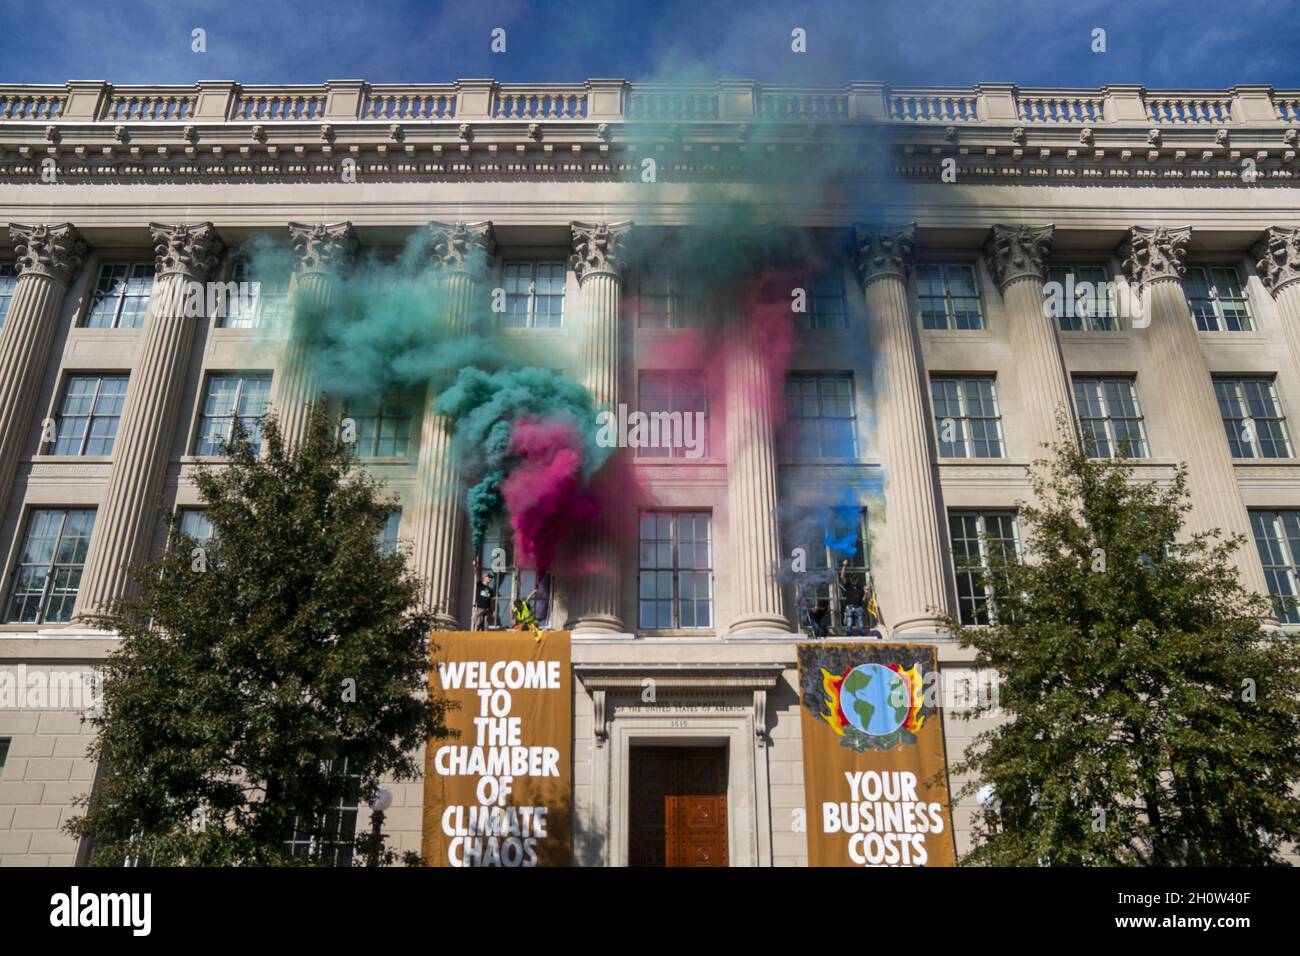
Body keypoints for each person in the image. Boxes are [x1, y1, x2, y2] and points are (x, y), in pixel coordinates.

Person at [840, 559, 866, 637]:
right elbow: (842, 577)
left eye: (855, 579)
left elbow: (863, 600)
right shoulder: (848, 586)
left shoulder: (860, 588)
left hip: (858, 607)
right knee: (849, 623)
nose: (854, 580)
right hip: (850, 607)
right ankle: (849, 637)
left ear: (857, 580)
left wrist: (866, 593)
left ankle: (861, 637)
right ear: (851, 580)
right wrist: (844, 566)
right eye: (853, 579)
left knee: (860, 624)